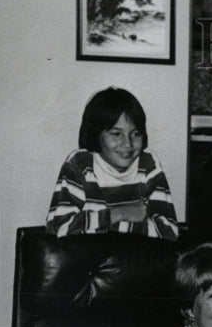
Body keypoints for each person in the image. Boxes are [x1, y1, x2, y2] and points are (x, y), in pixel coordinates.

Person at [46, 87, 178, 240]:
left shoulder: (148, 163)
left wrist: (98, 224)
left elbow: (168, 232)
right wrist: (120, 213)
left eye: (136, 134)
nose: (127, 144)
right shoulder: (80, 164)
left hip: (135, 262)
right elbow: (59, 228)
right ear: (96, 134)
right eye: (116, 134)